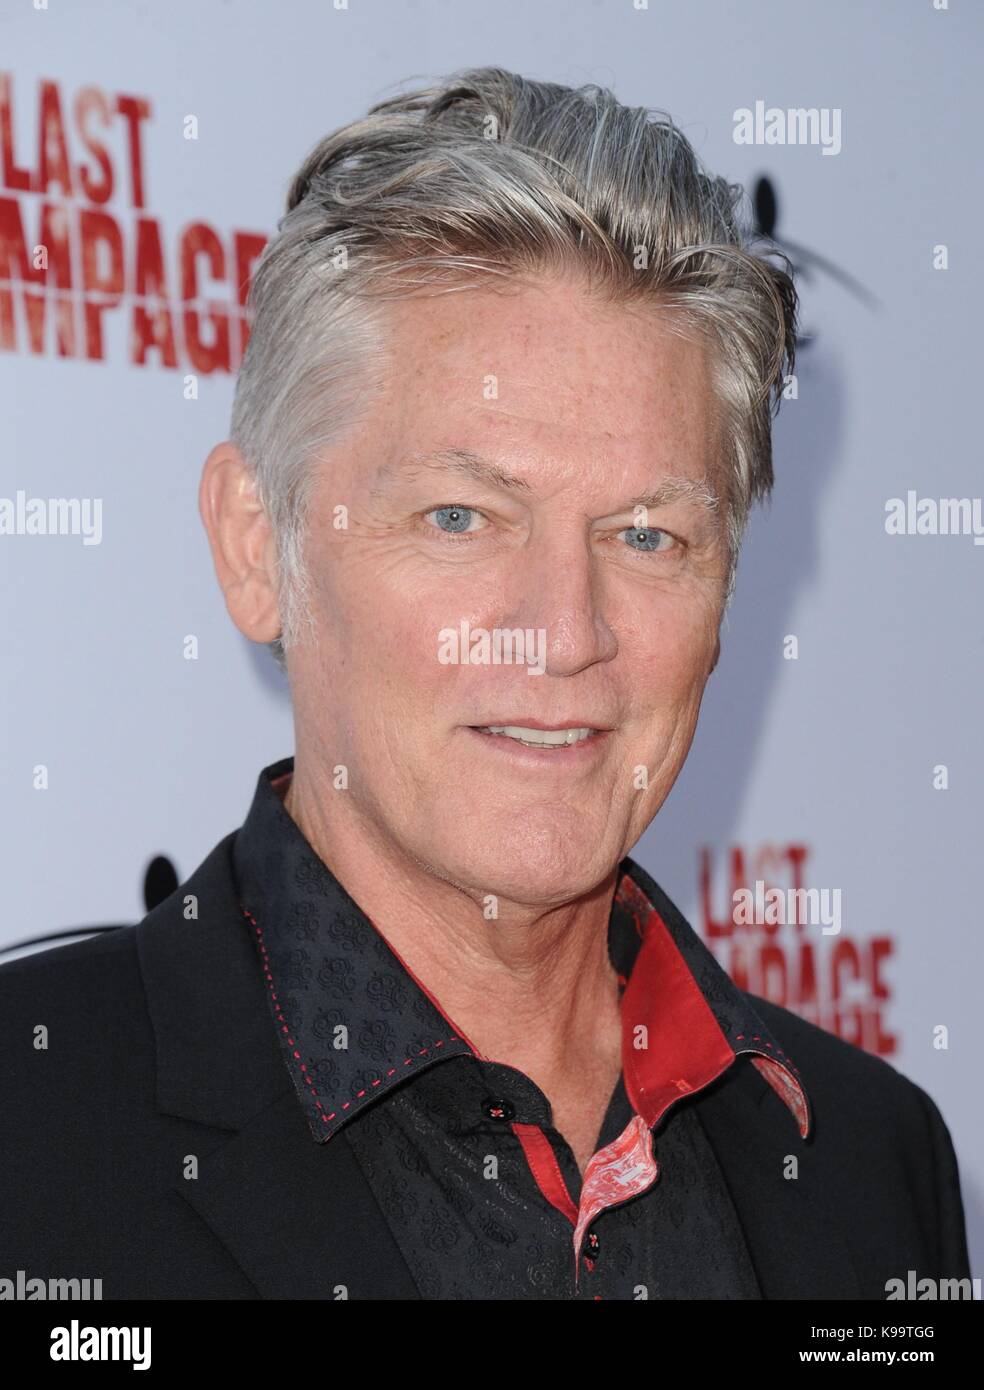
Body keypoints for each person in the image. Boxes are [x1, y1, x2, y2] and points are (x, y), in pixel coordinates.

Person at [0, 67, 970, 1300]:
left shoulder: (870, 1164)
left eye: (647, 535)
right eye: (460, 516)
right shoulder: (26, 1132)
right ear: (259, 547)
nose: (563, 634)